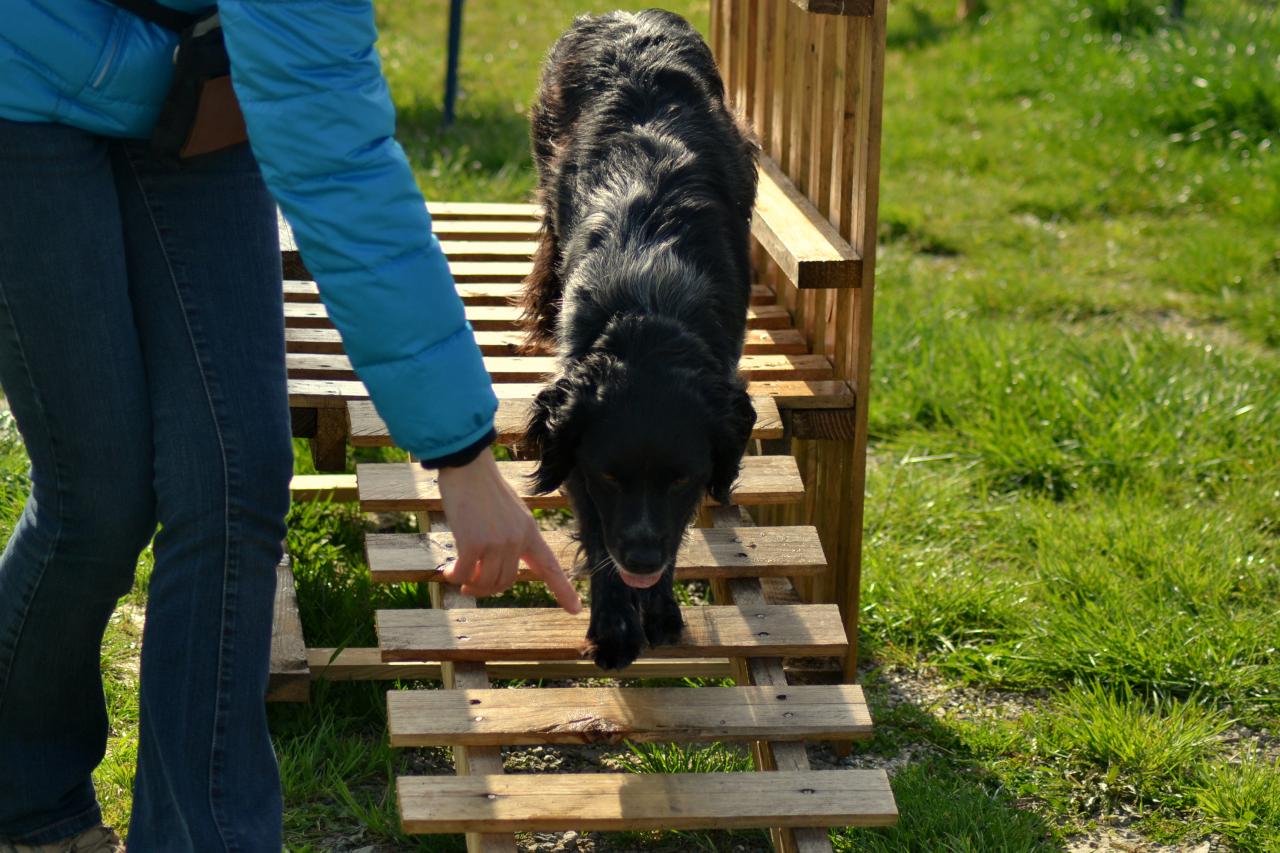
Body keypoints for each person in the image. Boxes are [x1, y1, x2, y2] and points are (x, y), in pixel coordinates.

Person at [0, 1, 581, 850]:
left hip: (191, 82)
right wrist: (463, 457)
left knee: (233, 479)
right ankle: (27, 796)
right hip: (21, 71)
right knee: (99, 496)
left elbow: (334, 145)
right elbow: (340, 164)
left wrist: (462, 453)